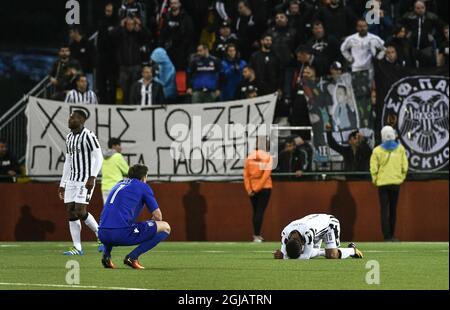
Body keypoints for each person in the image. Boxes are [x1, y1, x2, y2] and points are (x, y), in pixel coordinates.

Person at [98, 164, 171, 269]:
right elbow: (158, 216)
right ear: (143, 177)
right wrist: (151, 224)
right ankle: (133, 257)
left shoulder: (119, 184)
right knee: (165, 227)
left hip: (102, 234)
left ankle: (106, 256)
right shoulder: (143, 186)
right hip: (120, 234)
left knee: (112, 222)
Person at [58, 110, 104, 255]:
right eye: (70, 117)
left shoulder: (88, 135)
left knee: (80, 209)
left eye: (73, 117)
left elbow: (99, 156)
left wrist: (92, 177)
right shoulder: (69, 137)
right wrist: (62, 183)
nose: (70, 119)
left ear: (82, 120)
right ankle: (77, 247)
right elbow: (68, 161)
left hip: (85, 180)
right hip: (72, 180)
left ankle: (101, 236)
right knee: (71, 211)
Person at [370, 126, 408, 242]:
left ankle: (386, 236)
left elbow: (373, 167)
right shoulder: (400, 149)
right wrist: (401, 178)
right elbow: (405, 166)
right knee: (393, 210)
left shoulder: (377, 150)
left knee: (384, 210)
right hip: (396, 183)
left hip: (382, 184)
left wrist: (375, 180)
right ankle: (392, 235)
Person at [273, 214, 363, 259]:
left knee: (332, 255)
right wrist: (282, 254)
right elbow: (283, 252)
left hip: (329, 224)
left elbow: (306, 256)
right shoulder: (285, 233)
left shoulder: (308, 233)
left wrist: (284, 257)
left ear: (301, 243)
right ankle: (324, 251)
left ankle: (352, 250)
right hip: (316, 225)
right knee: (312, 253)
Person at [243, 136, 273, 242]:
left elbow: (245, 175)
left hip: (252, 189)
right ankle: (256, 235)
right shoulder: (268, 157)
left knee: (255, 212)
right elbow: (266, 175)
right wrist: (258, 188)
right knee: (260, 211)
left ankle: (256, 235)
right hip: (264, 187)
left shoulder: (249, 156)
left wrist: (250, 189)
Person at [159, 0, 194, 70]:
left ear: (179, 4)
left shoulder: (186, 17)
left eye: (175, 3)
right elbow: (162, 33)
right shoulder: (166, 16)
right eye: (171, 3)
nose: (173, 5)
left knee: (180, 71)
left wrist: (186, 48)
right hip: (169, 48)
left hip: (182, 49)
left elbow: (190, 34)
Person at [101, 138, 129, 204]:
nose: (121, 148)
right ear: (114, 146)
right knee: (118, 210)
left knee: (108, 210)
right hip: (116, 187)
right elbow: (127, 171)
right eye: (119, 145)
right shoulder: (117, 156)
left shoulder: (103, 157)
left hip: (105, 188)